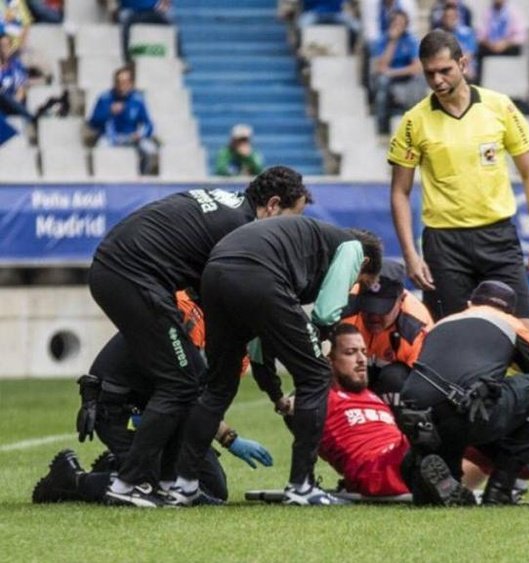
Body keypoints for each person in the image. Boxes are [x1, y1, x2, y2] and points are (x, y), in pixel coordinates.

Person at [88, 166, 311, 507]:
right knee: (181, 382)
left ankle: (165, 481)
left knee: (187, 379)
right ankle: (129, 484)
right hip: (131, 276)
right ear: (272, 205)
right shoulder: (242, 231)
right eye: (290, 221)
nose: (288, 234)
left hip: (124, 271)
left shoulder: (233, 212)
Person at [167, 218, 382, 507]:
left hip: (216, 275)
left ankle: (184, 485)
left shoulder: (302, 247)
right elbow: (327, 311)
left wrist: (275, 393)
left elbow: (258, 339)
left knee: (218, 386)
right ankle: (302, 486)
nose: (353, 285)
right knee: (317, 376)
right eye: (359, 282)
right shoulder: (353, 247)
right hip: (257, 273)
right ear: (365, 261)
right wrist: (317, 345)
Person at [263, 323, 529, 499]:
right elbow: (295, 411)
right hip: (378, 467)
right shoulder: (317, 396)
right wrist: (286, 403)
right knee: (444, 435)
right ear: (330, 361)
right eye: (351, 353)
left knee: (464, 434)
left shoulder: (373, 395)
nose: (362, 358)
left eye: (363, 351)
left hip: (407, 453)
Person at [32, 292, 273, 506]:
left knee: (212, 488)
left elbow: (201, 398)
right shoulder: (184, 316)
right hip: (119, 408)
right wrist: (229, 438)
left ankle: (117, 464)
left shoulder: (229, 343)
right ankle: (70, 479)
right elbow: (188, 394)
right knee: (153, 489)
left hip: (161, 411)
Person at [388, 30, 529, 332]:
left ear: (463, 64)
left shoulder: (500, 107)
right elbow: (399, 191)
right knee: (453, 341)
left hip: (498, 238)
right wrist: (410, 255)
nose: (438, 80)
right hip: (444, 244)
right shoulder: (413, 121)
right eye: (430, 73)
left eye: (445, 70)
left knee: (523, 337)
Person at [398, 281, 529, 505]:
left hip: (416, 415)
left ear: (469, 304)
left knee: (433, 484)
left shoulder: (440, 324)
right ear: (510, 311)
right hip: (467, 411)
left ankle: (430, 476)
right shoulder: (509, 323)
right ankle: (500, 488)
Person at [341, 260, 433, 407]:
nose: (374, 317)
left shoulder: (415, 330)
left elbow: (423, 389)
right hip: (354, 374)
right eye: (368, 308)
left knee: (394, 378)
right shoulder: (342, 308)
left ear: (401, 300)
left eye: (382, 309)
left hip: (394, 384)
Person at [87, 66, 156, 175]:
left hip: (131, 137)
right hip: (110, 137)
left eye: (125, 82)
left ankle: (143, 178)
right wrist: (109, 112)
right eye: (118, 82)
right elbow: (92, 122)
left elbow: (149, 124)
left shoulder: (137, 100)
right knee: (100, 148)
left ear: (131, 83)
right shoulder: (104, 98)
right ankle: (104, 179)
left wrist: (140, 134)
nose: (121, 86)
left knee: (150, 150)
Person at [370, 9, 424, 134]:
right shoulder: (381, 41)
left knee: (422, 79)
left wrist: (393, 72)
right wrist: (392, 42)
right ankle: (382, 128)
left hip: (405, 78)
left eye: (401, 24)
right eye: (395, 23)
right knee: (383, 81)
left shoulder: (411, 41)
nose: (398, 27)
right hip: (386, 81)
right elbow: (381, 67)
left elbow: (417, 67)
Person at [0, 34, 31, 121]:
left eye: (7, 46)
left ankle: (31, 117)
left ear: (11, 47)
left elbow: (20, 91)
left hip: (12, 106)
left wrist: (11, 104)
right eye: (1, 46)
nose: (4, 49)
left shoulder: (16, 65)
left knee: (3, 97)